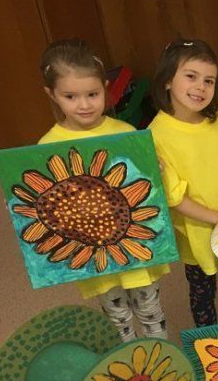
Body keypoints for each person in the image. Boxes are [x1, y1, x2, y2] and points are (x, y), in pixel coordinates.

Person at [38, 39, 169, 341]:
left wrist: (155, 170)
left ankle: (161, 360)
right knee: (116, 317)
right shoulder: (47, 147)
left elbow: (146, 191)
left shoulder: (126, 133)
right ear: (52, 94)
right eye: (70, 96)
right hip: (91, 251)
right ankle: (127, 360)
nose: (84, 104)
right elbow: (45, 201)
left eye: (93, 94)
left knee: (150, 309)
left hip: (135, 244)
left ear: (105, 89)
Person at [150, 39, 218, 328]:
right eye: (191, 76)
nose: (201, 87)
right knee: (202, 292)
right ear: (167, 80)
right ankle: (208, 342)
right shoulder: (156, 135)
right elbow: (173, 197)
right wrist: (216, 217)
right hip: (196, 230)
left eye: (209, 80)